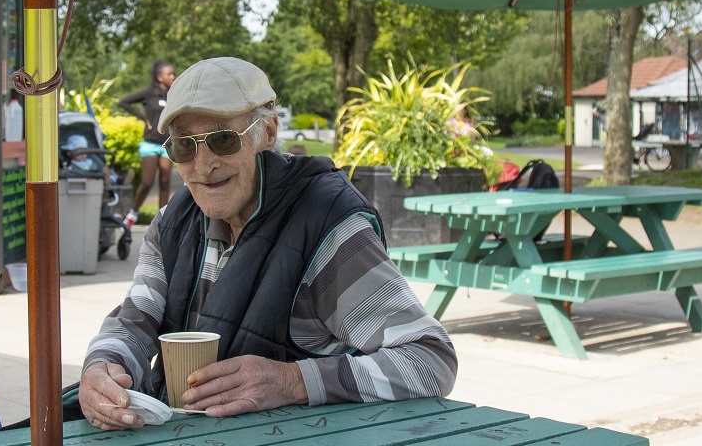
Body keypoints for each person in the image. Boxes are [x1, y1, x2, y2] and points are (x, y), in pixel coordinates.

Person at [78, 57, 457, 431]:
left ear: (268, 133)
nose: (204, 163)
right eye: (184, 147)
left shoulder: (328, 227)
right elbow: (133, 322)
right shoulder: (171, 223)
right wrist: (103, 367)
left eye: (222, 139)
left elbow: (429, 360)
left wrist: (292, 381)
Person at [116, 61, 176, 228]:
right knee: (147, 183)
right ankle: (132, 214)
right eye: (169, 74)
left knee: (165, 182)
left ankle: (161, 219)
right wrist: (142, 117)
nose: (173, 77)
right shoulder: (149, 93)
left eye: (173, 74)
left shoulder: (173, 94)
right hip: (150, 143)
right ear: (159, 77)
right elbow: (124, 102)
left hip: (166, 144)